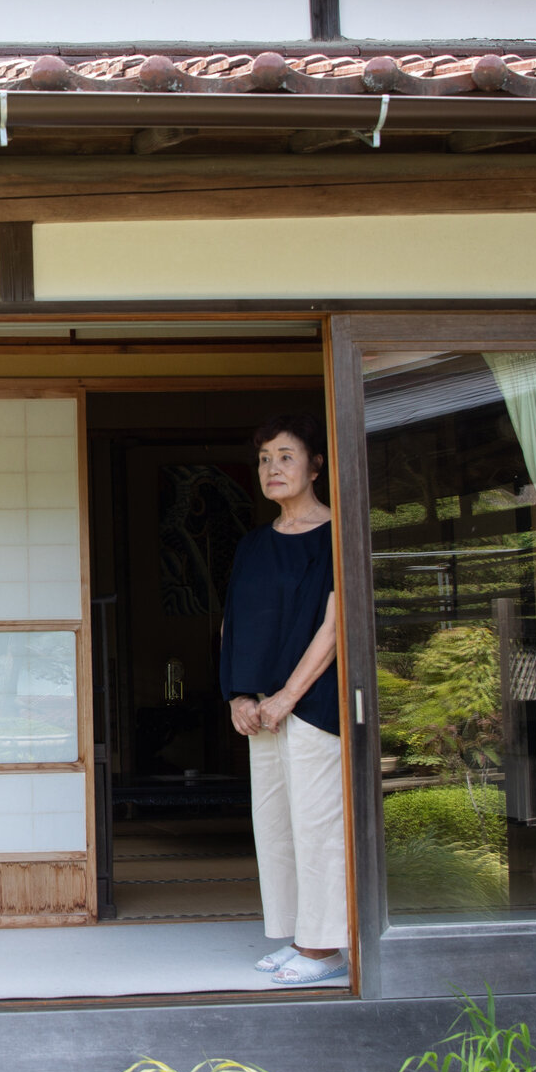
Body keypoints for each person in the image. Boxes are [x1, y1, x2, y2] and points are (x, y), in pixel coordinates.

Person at [219, 415, 347, 988]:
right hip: (264, 709)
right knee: (277, 825)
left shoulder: (336, 534)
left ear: (315, 466)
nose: (274, 467)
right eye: (266, 457)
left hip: (313, 704)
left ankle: (325, 949)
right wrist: (238, 696)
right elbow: (234, 624)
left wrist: (290, 696)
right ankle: (300, 937)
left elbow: (335, 623)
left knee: (319, 825)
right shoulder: (252, 544)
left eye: (287, 456)